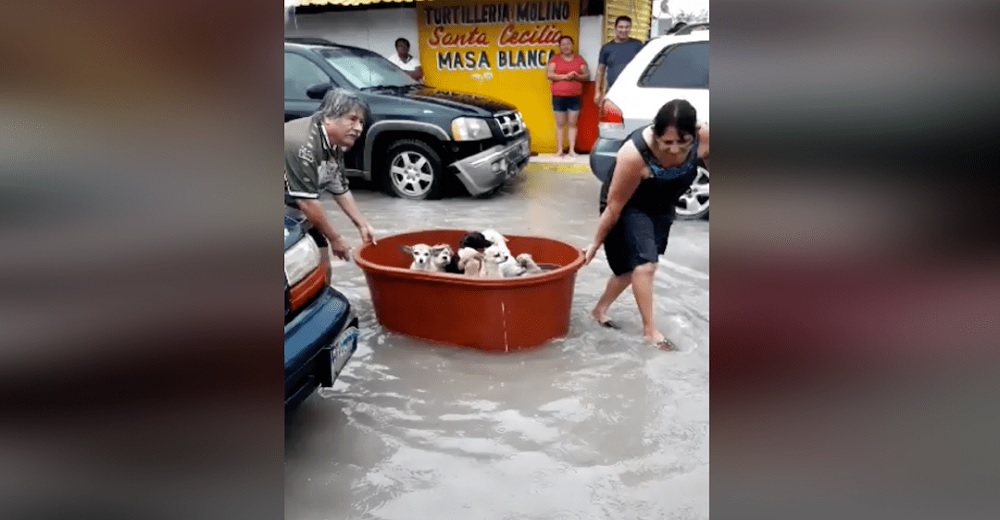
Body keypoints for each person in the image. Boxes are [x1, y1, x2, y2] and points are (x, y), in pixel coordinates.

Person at [583, 99, 710, 350]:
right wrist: (594, 244)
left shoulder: (705, 138)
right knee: (645, 264)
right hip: (630, 204)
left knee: (632, 269)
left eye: (682, 143)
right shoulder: (634, 155)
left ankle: (599, 311)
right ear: (655, 133)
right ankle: (650, 332)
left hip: (663, 205)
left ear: (694, 135)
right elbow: (614, 206)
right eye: (667, 143)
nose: (674, 150)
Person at [284, 87, 378, 268]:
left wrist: (362, 225)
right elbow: (307, 202)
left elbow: (339, 187)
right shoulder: (302, 144)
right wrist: (335, 238)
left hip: (295, 212)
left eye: (361, 122)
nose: (358, 128)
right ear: (329, 117)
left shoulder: (333, 143)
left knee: (320, 252)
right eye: (352, 119)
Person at [546, 35, 589, 159]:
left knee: (572, 123)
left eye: (568, 43)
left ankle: (571, 150)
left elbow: (586, 76)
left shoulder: (579, 59)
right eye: (563, 44)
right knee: (560, 124)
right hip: (558, 96)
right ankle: (559, 150)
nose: (566, 46)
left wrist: (576, 76)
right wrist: (565, 77)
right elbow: (549, 74)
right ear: (559, 46)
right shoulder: (555, 59)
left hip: (574, 97)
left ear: (572, 44)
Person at [593, 16, 644, 107]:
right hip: (612, 91)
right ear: (615, 28)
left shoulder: (638, 45)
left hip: (632, 91)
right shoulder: (607, 48)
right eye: (621, 27)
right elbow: (600, 71)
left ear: (630, 28)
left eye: (627, 27)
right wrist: (597, 91)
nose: (624, 30)